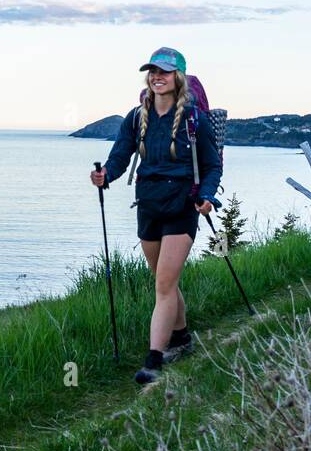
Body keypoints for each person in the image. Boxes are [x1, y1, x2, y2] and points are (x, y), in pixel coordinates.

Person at [89, 46, 221, 384]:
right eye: (152, 72)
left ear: (178, 77)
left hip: (181, 206)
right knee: (165, 281)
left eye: (163, 71)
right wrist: (106, 175)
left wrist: (206, 197)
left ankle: (153, 361)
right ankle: (181, 338)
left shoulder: (195, 119)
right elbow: (119, 156)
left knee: (163, 285)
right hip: (148, 205)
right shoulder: (136, 117)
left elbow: (211, 166)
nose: (156, 77)